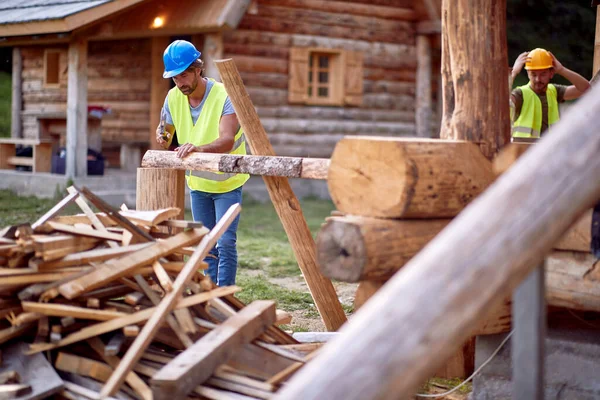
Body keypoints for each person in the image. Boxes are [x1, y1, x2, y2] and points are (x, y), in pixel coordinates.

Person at [156, 40, 248, 286]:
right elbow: (165, 138)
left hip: (227, 183)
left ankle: (224, 296)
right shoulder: (172, 97)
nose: (180, 83)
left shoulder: (224, 95)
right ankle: (210, 296)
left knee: (225, 241)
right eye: (174, 78)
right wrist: (163, 137)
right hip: (198, 183)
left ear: (198, 68)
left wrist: (198, 149)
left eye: (184, 75)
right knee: (206, 242)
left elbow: (227, 140)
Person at [509, 48, 590, 140]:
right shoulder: (520, 94)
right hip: (524, 151)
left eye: (543, 74)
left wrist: (562, 70)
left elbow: (586, 88)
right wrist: (514, 73)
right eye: (533, 74)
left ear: (551, 73)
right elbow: (501, 103)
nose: (538, 79)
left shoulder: (554, 91)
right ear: (528, 74)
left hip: (550, 151)